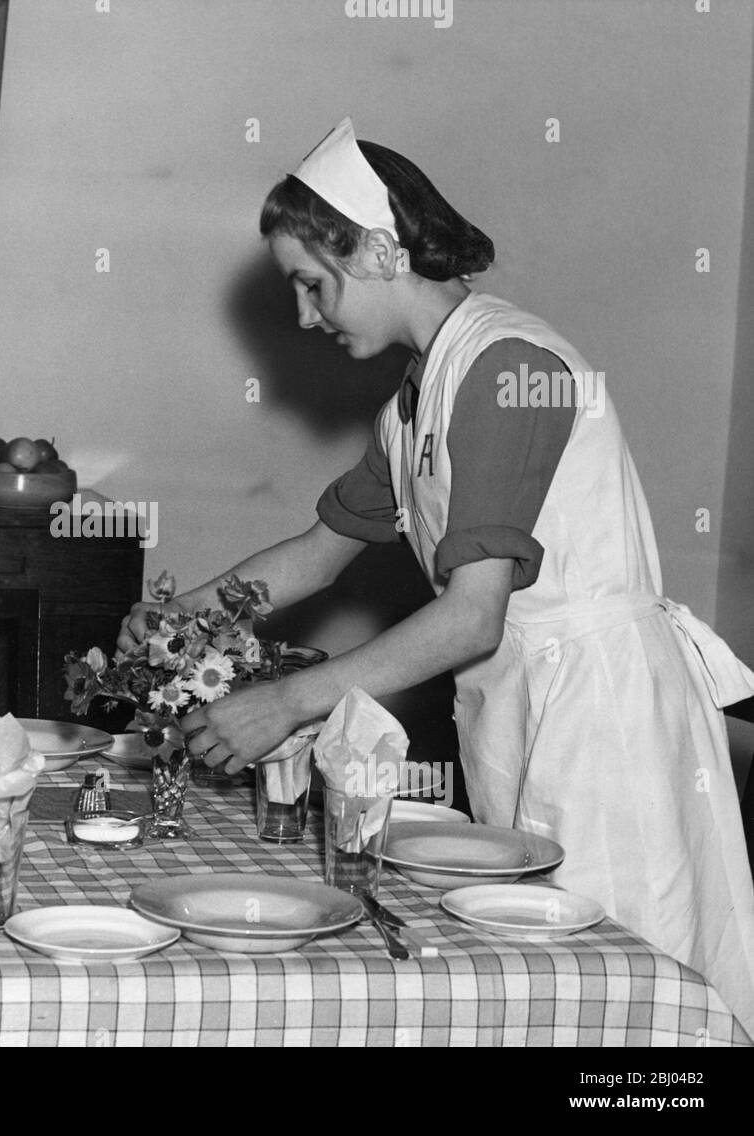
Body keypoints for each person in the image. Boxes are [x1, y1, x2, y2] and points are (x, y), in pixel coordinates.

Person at [120, 117, 754, 1032]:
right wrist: (183, 614)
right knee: (535, 1000)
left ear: (378, 250)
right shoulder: (419, 398)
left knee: (623, 999)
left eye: (312, 284)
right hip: (522, 709)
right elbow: (316, 552)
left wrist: (290, 700)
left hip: (603, 720)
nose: (304, 317)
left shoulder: (506, 369)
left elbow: (472, 619)